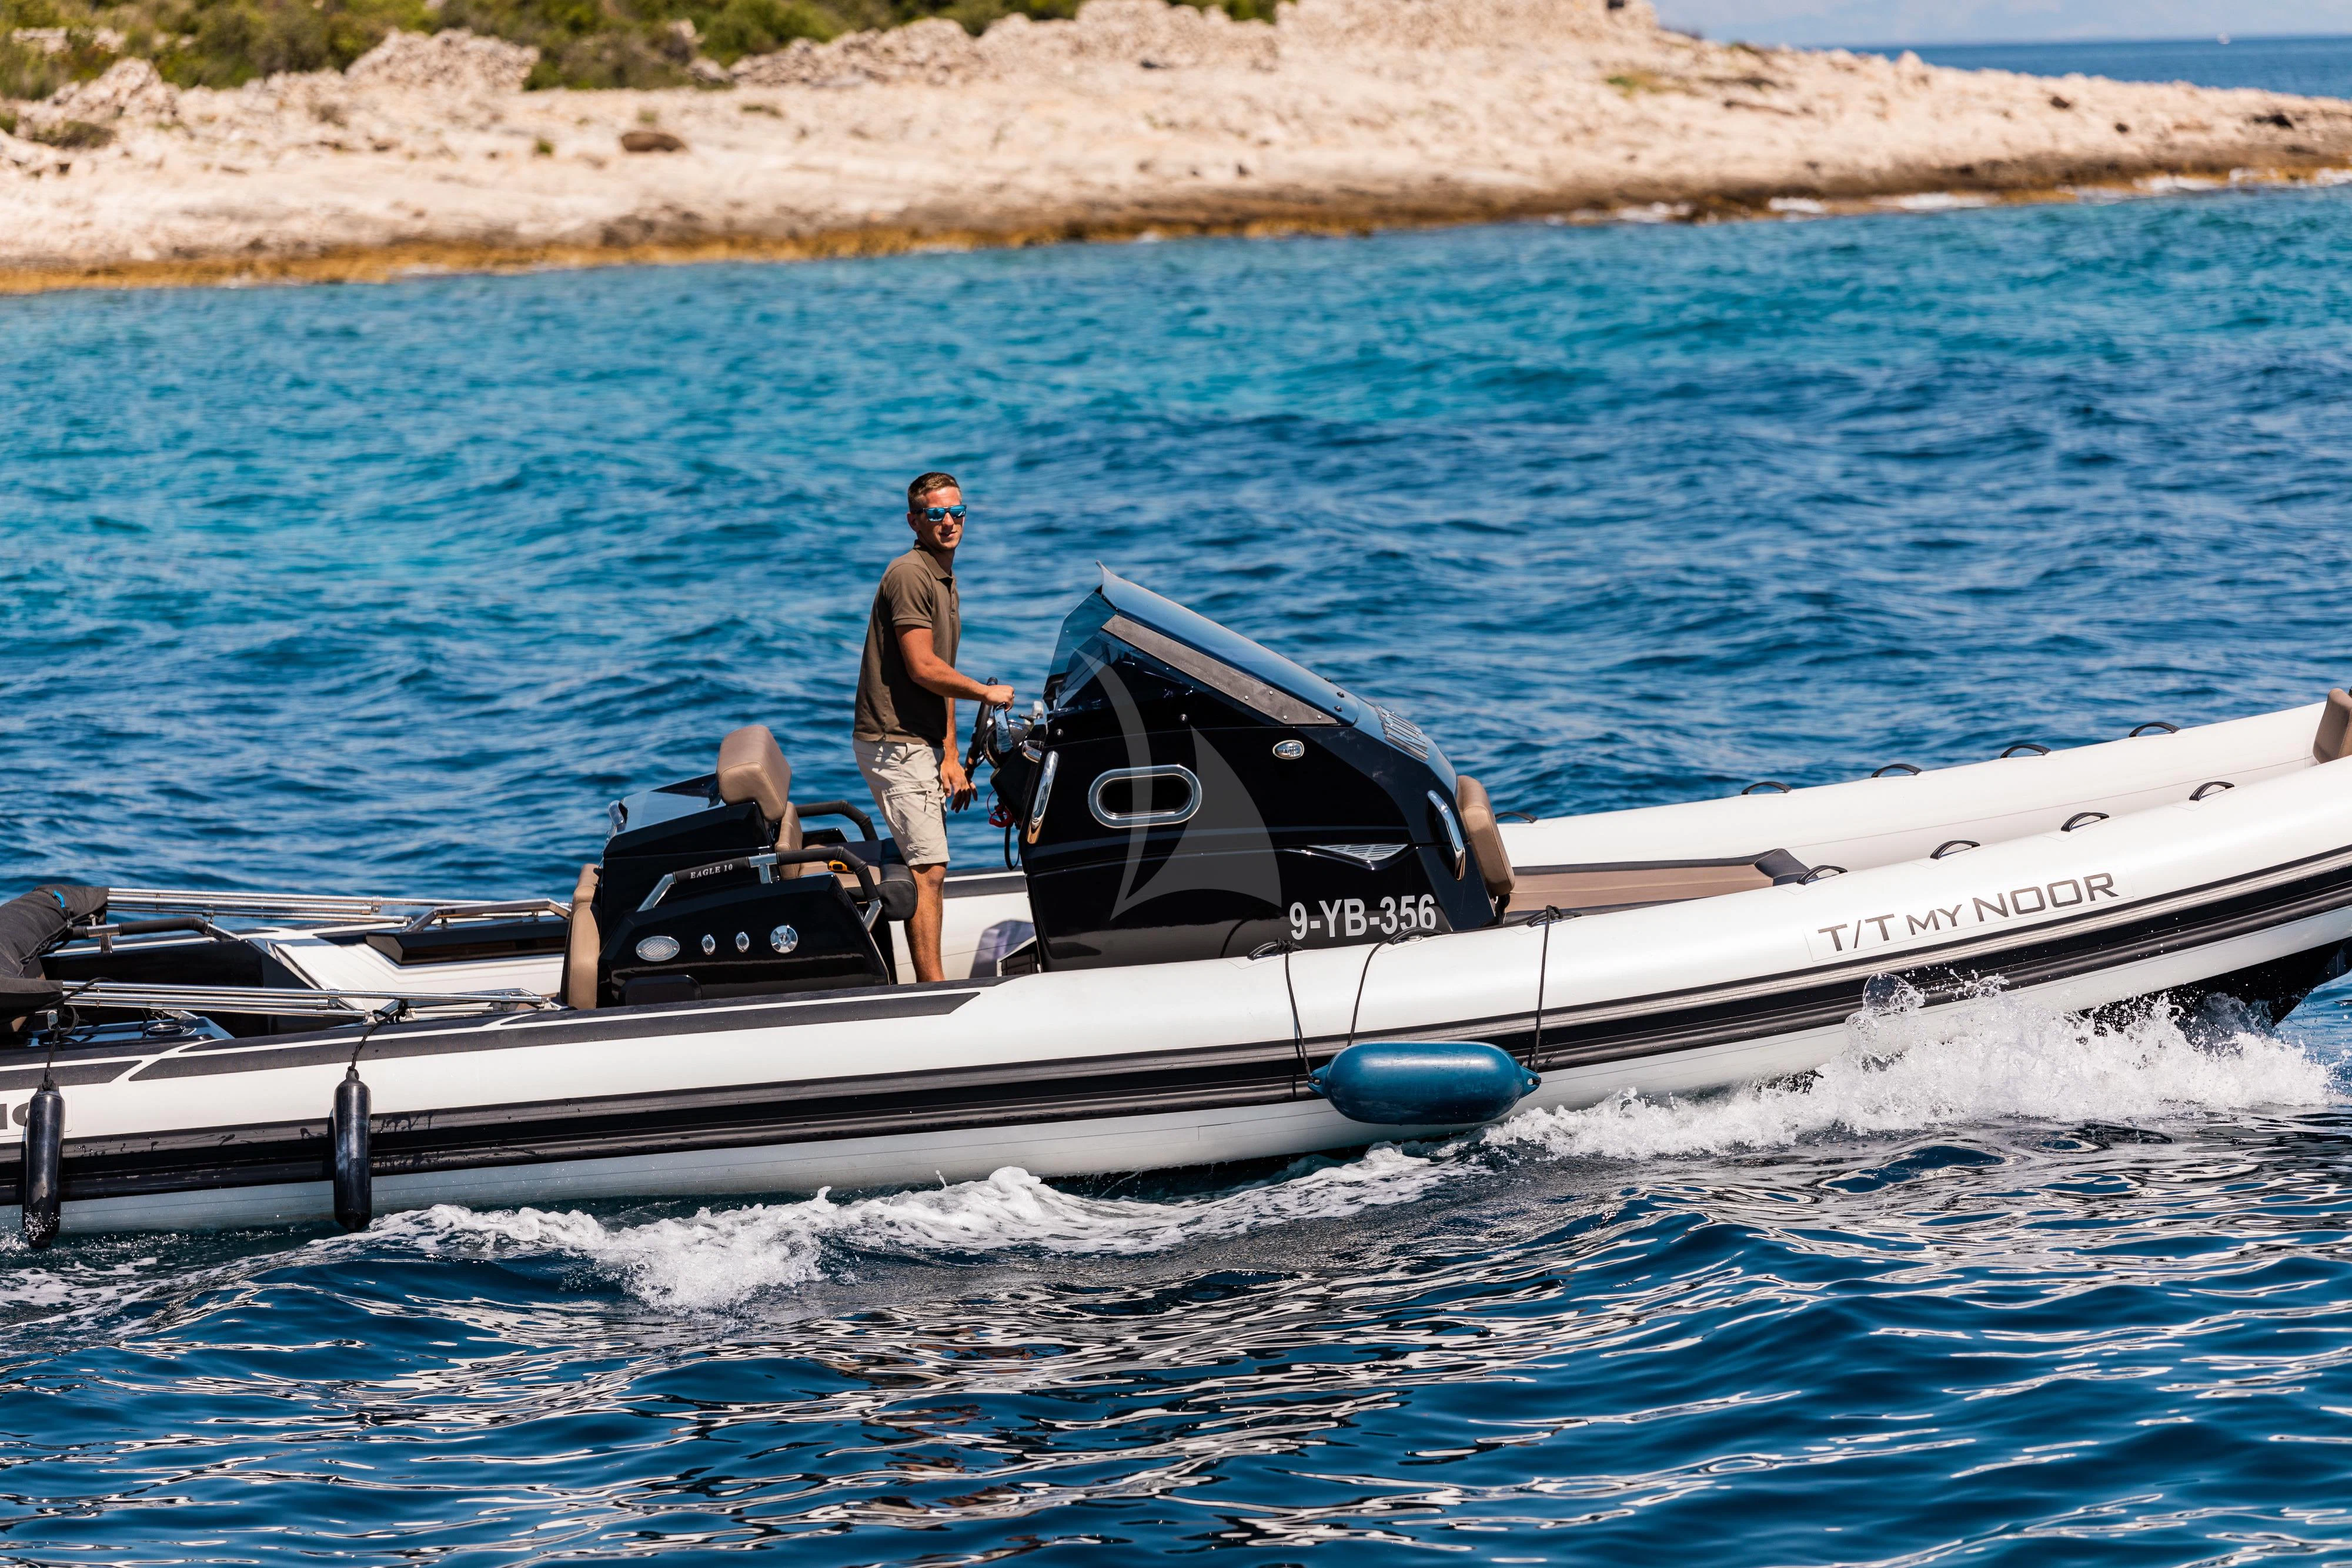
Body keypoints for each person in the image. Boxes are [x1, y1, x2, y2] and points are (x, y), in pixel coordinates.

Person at [854, 472, 1016, 983]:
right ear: (914, 521)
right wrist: (986, 693)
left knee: (930, 864)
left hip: (920, 740)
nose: (949, 522)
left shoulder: (942, 577)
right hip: (892, 740)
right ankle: (931, 992)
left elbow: (938, 676)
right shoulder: (909, 575)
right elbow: (924, 667)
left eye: (957, 512)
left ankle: (927, 982)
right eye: (936, 514)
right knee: (929, 869)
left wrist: (950, 753)